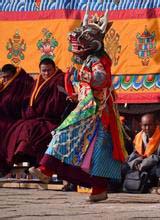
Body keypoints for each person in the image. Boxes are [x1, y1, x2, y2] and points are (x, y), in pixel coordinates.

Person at [29, 9, 127, 202]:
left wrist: (84, 77)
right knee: (66, 135)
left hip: (98, 112)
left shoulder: (98, 60)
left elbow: (101, 79)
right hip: (86, 109)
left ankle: (97, 188)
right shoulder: (87, 59)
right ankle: (46, 169)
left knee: (98, 150)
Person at [1, 59, 70, 175]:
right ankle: (22, 159)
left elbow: (57, 103)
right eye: (44, 71)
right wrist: (29, 113)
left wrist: (38, 113)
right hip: (36, 118)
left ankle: (37, 164)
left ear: (55, 69)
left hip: (51, 119)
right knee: (19, 128)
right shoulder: (37, 81)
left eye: (49, 70)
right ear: (40, 71)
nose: (46, 73)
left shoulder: (59, 81)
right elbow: (27, 101)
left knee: (33, 129)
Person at [122, 113, 160, 192]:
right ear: (141, 125)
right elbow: (135, 153)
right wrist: (137, 163)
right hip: (140, 164)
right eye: (144, 125)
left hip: (155, 164)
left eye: (150, 125)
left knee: (158, 171)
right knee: (124, 168)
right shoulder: (138, 137)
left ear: (156, 124)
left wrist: (146, 163)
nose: (147, 128)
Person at [0, 64, 34, 175]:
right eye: (3, 77)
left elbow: (22, 103)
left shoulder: (24, 83)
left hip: (15, 119)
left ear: (14, 75)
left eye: (7, 77)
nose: (5, 80)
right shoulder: (3, 85)